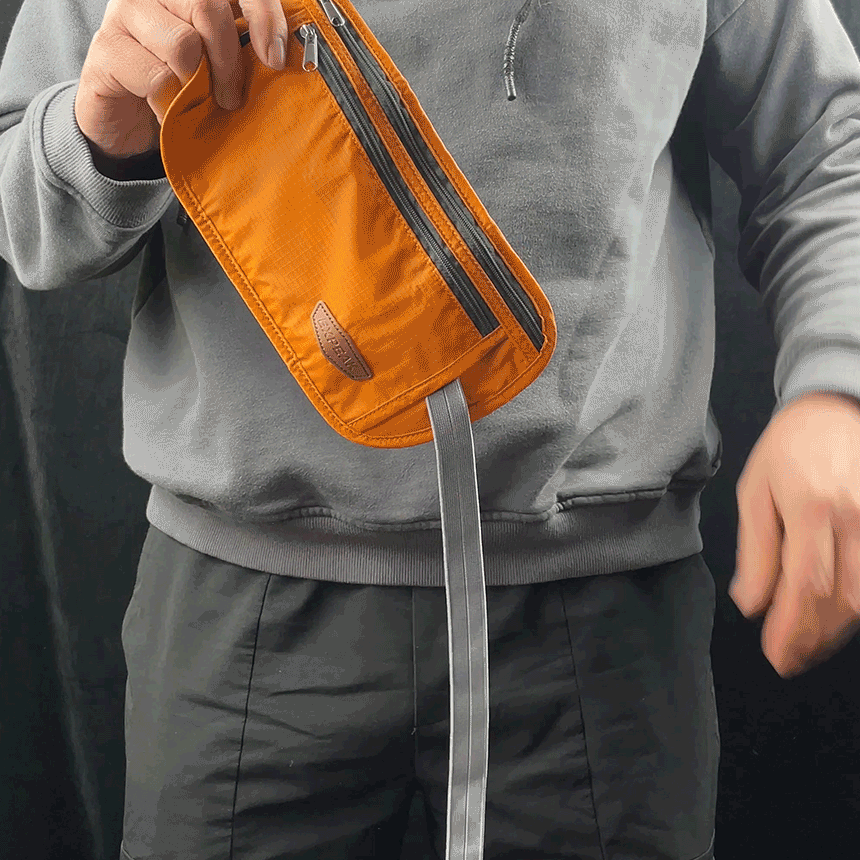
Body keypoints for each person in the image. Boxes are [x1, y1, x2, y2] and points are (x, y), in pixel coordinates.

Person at [2, 0, 860, 857]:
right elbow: (22, 207)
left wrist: (834, 387)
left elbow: (824, 141)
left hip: (603, 623)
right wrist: (100, 133)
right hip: (241, 625)